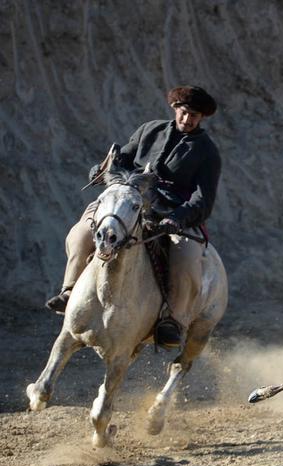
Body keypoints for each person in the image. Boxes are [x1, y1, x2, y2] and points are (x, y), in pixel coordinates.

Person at [45, 85, 222, 349]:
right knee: (81, 232)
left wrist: (178, 217)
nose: (187, 120)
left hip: (170, 215)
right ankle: (69, 290)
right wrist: (102, 169)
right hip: (127, 201)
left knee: (186, 260)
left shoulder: (208, 152)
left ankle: (172, 321)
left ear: (202, 118)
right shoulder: (148, 129)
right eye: (184, 113)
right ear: (175, 108)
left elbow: (203, 200)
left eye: (194, 116)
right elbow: (122, 160)